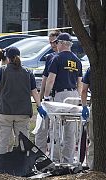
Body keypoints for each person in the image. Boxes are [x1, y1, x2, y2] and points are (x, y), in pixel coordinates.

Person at [0, 46, 47, 154]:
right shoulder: (28, 72)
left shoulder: (2, 70)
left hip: (4, 111)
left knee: (2, 141)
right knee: (23, 143)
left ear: (7, 58)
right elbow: (34, 91)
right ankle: (22, 166)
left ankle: (0, 167)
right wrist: (39, 106)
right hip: (23, 112)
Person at [44, 32, 83, 163]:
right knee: (70, 130)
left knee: (55, 126)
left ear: (61, 43)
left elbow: (51, 79)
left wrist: (46, 95)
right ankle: (68, 159)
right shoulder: (77, 60)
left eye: (57, 43)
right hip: (73, 95)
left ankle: (54, 158)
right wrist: (78, 97)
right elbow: (80, 82)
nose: (56, 45)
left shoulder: (57, 58)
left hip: (61, 94)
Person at [35, 30, 61, 154]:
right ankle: (39, 155)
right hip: (49, 97)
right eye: (50, 43)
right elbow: (45, 79)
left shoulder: (66, 57)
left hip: (59, 96)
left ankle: (54, 155)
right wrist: (40, 99)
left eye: (54, 42)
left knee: (55, 128)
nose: (52, 45)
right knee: (42, 127)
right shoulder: (50, 57)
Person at [81, 67, 93, 169]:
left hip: (96, 104)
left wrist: (84, 106)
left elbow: (84, 90)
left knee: (93, 138)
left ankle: (92, 166)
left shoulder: (92, 70)